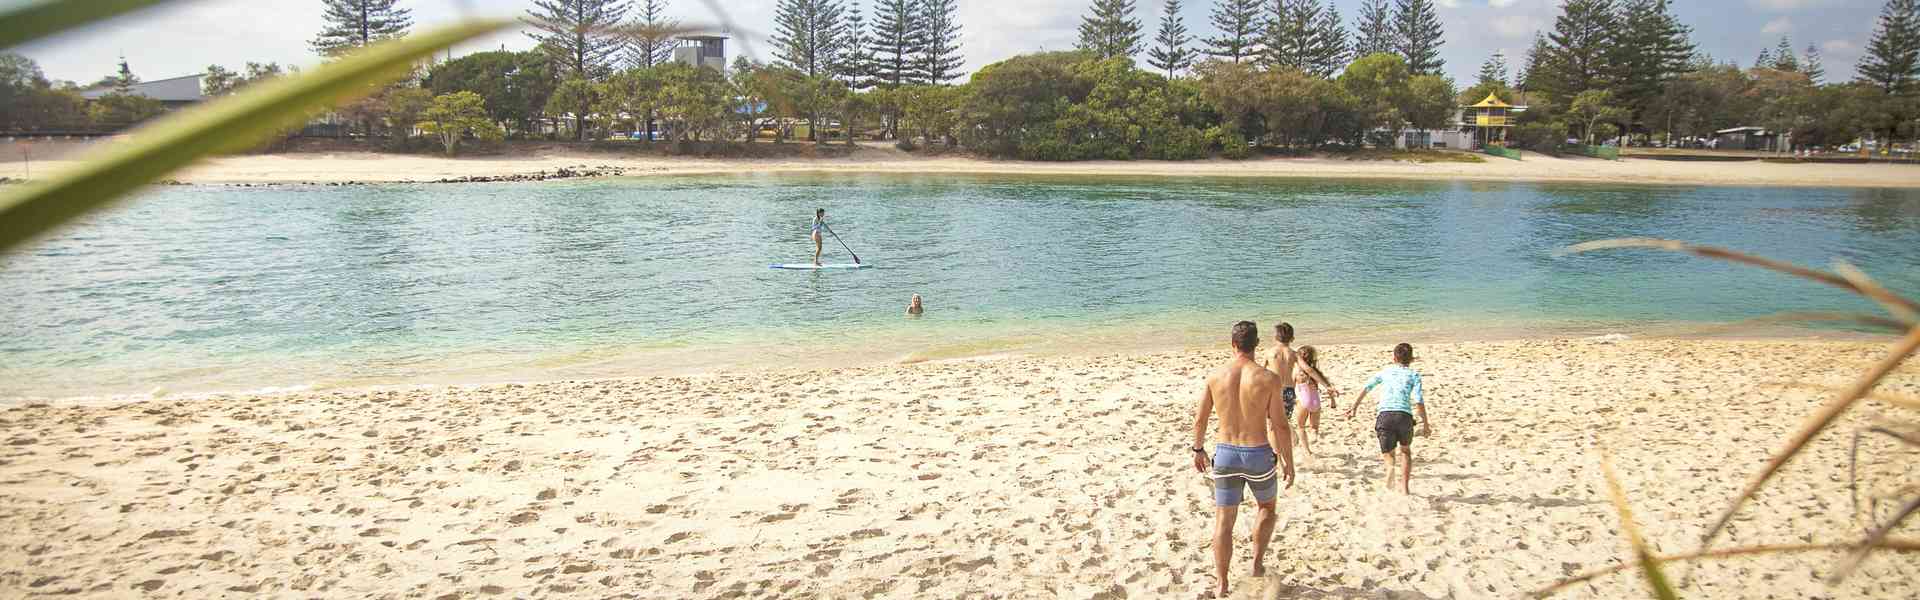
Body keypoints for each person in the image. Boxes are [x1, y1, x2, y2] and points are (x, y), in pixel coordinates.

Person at [1190, 321, 1295, 598]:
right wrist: (1289, 462)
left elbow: (1200, 419)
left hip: (1225, 453)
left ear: (1233, 344)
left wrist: (1197, 449)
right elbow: (1280, 426)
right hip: (1258, 454)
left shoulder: (1215, 376)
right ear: (1257, 345)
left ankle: (1222, 583)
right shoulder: (1269, 378)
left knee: (1224, 520)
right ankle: (1256, 564)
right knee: (1267, 509)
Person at [1345, 343, 1432, 494]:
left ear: (1393, 358)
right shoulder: (1414, 375)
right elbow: (1419, 400)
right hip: (1404, 416)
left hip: (1385, 415)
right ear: (1411, 359)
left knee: (1388, 453)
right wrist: (1425, 424)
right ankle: (1404, 488)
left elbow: (1367, 387)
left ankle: (1390, 467)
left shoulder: (1385, 372)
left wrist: (1354, 407)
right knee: (1405, 451)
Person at [1266, 322, 1333, 419]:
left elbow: (1260, 372)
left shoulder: (1269, 353)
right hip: (1288, 392)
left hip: (1274, 390)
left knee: (1272, 422)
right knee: (1284, 422)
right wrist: (1326, 385)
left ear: (1275, 337)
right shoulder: (1294, 354)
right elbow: (1309, 370)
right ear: (1292, 339)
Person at [1291, 345, 1333, 456]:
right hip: (1316, 403)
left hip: (1303, 403)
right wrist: (1333, 402)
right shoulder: (1315, 372)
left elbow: (1290, 387)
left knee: (1300, 427)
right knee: (1314, 427)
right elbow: (1329, 388)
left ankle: (1307, 450)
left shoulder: (1296, 372)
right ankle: (1314, 435)